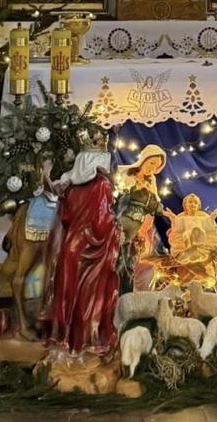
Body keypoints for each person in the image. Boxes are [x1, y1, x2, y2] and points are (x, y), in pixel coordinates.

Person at [38, 148, 120, 355]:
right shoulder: (101, 184)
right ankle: (87, 342)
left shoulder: (70, 189)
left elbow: (65, 218)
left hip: (70, 248)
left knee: (67, 295)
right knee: (88, 298)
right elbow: (100, 223)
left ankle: (64, 339)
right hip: (91, 252)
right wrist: (117, 227)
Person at [115, 145, 166, 285]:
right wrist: (136, 188)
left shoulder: (151, 180)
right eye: (151, 163)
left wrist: (151, 193)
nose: (152, 168)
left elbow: (157, 206)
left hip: (143, 227)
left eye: (156, 166)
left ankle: (133, 290)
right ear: (144, 159)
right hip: (125, 223)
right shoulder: (127, 175)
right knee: (121, 258)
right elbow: (119, 198)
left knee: (139, 261)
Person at [162, 192, 217, 279]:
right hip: (187, 238)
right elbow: (177, 228)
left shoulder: (202, 218)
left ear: (198, 206)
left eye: (195, 203)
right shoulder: (183, 218)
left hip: (200, 237)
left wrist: (213, 216)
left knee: (198, 231)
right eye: (190, 202)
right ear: (185, 205)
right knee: (188, 234)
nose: (193, 205)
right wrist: (171, 216)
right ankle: (191, 249)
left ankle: (197, 246)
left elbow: (209, 226)